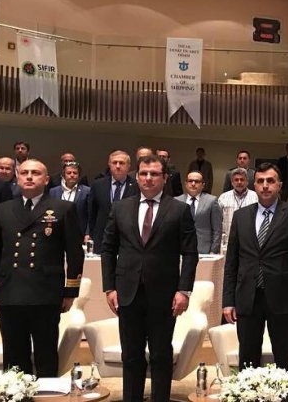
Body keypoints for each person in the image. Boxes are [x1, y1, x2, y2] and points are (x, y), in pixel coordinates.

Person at [100, 155, 198, 402]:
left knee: (160, 355)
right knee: (131, 355)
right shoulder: (121, 208)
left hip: (164, 295)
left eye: (154, 174)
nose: (148, 178)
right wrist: (109, 288)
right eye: (143, 173)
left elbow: (190, 253)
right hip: (127, 293)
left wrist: (184, 290)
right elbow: (108, 249)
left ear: (164, 178)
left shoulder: (179, 209)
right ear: (137, 177)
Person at [0, 159, 84, 377]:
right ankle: (17, 393)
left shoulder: (63, 208)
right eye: (24, 173)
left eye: (36, 173)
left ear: (46, 180)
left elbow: (75, 254)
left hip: (45, 293)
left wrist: (70, 291)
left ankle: (47, 394)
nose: (29, 176)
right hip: (10, 292)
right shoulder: (4, 209)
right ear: (17, 178)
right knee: (14, 359)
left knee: (46, 356)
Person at [222, 162, 288, 373]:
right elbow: (232, 262)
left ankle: (285, 391)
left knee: (283, 357)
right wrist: (228, 301)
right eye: (260, 181)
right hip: (247, 297)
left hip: (283, 297)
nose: (265, 185)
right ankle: (248, 391)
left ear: (279, 185)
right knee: (247, 358)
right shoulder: (241, 216)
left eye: (270, 181)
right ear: (254, 185)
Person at [87, 150, 138, 244]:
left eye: (122, 163)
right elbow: (92, 213)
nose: (118, 166)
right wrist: (92, 234)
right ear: (109, 165)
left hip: (127, 240)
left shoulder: (137, 186)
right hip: (101, 238)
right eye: (114, 163)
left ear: (129, 166)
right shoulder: (98, 185)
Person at [176, 172, 223, 254]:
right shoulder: (177, 201)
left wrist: (213, 251)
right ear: (186, 184)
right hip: (181, 250)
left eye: (197, 181)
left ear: (203, 185)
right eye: (190, 181)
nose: (193, 184)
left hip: (205, 251)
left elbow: (217, 230)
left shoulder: (211, 201)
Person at [50, 162, 92, 237]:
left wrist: (87, 233)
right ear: (63, 175)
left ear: (79, 176)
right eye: (69, 173)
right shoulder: (53, 191)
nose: (72, 175)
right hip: (57, 233)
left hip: (79, 233)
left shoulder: (87, 191)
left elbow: (91, 215)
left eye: (75, 173)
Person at [218, 168, 259, 232]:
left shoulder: (256, 197)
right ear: (232, 183)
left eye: (242, 179)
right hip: (228, 235)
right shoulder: (223, 197)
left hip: (249, 235)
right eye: (236, 180)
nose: (239, 182)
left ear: (247, 182)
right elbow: (217, 220)